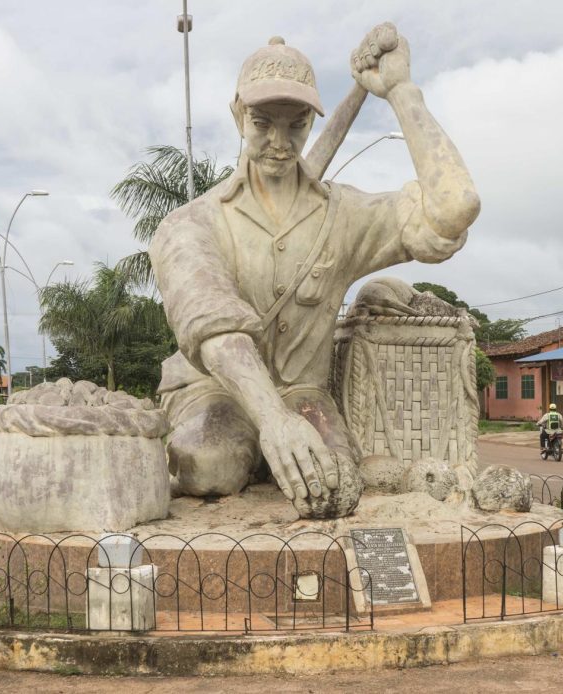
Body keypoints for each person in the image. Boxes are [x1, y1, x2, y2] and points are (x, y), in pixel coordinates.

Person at [150, 25, 480, 518]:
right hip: (212, 388)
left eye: (297, 124)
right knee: (209, 466)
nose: (280, 142)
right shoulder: (192, 222)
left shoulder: (342, 215)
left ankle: (267, 457)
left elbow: (454, 208)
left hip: (304, 393)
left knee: (331, 481)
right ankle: (241, 452)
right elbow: (214, 329)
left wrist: (400, 92)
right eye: (263, 123)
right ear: (238, 113)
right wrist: (273, 422)